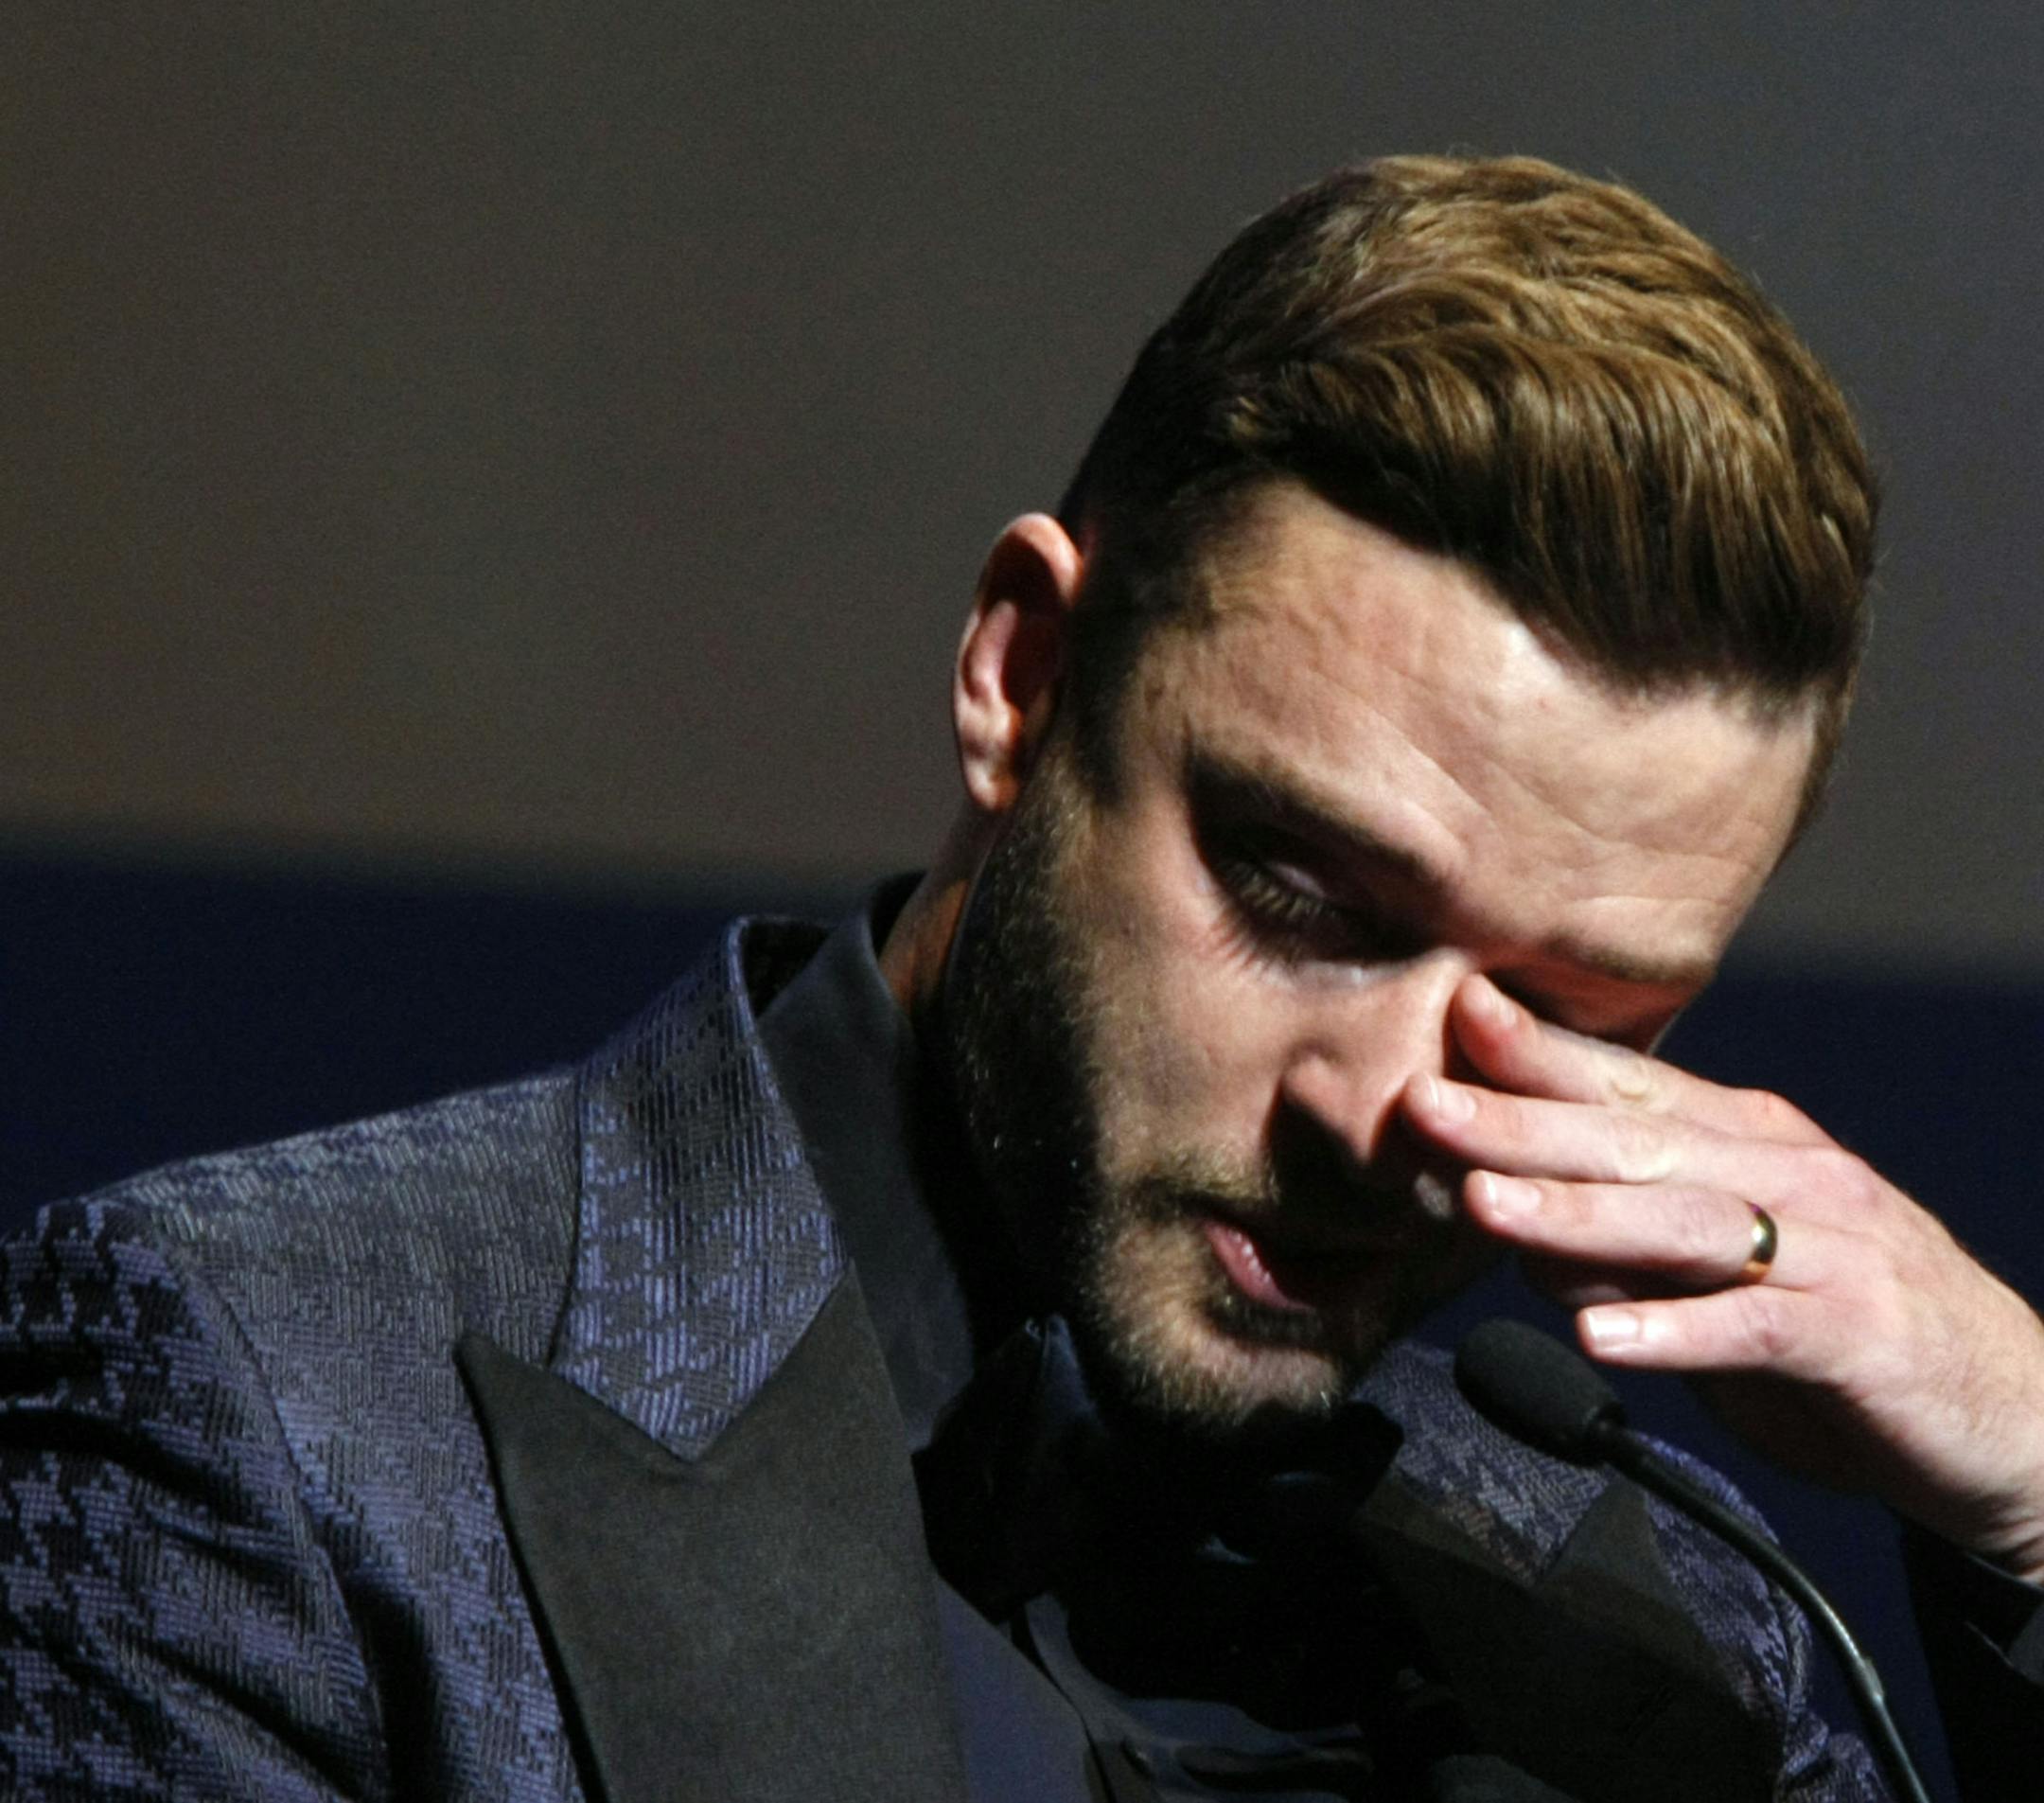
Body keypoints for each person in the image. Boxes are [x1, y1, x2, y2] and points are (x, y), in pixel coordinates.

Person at [3, 154, 2039, 1801]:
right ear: (1022, 674)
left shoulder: (1665, 1608)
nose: (1389, 1112)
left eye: (1581, 1010)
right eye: (1305, 891)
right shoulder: (265, 1403)